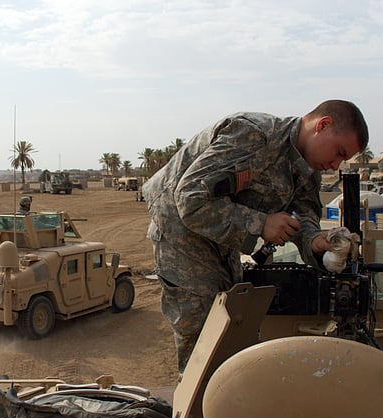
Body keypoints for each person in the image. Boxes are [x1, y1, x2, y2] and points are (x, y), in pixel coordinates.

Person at [141, 99, 368, 374]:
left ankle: (225, 406)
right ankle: (197, 412)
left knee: (231, 324)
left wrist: (314, 241)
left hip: (221, 238)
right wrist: (262, 224)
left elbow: (303, 214)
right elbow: (190, 198)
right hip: (181, 233)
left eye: (343, 160)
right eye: (338, 152)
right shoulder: (254, 135)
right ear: (322, 125)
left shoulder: (307, 168)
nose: (334, 165)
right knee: (203, 340)